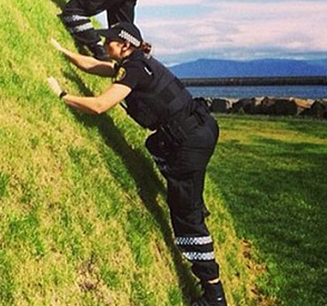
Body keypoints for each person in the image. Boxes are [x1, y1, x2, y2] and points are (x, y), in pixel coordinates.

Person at [47, 22, 228, 306]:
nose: (105, 45)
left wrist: (61, 95)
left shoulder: (134, 69)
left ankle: (214, 296)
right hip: (199, 128)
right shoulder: (135, 63)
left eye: (110, 42)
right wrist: (63, 52)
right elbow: (97, 66)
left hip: (188, 140)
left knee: (185, 219)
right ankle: (193, 201)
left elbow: (99, 105)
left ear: (125, 45)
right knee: (167, 163)